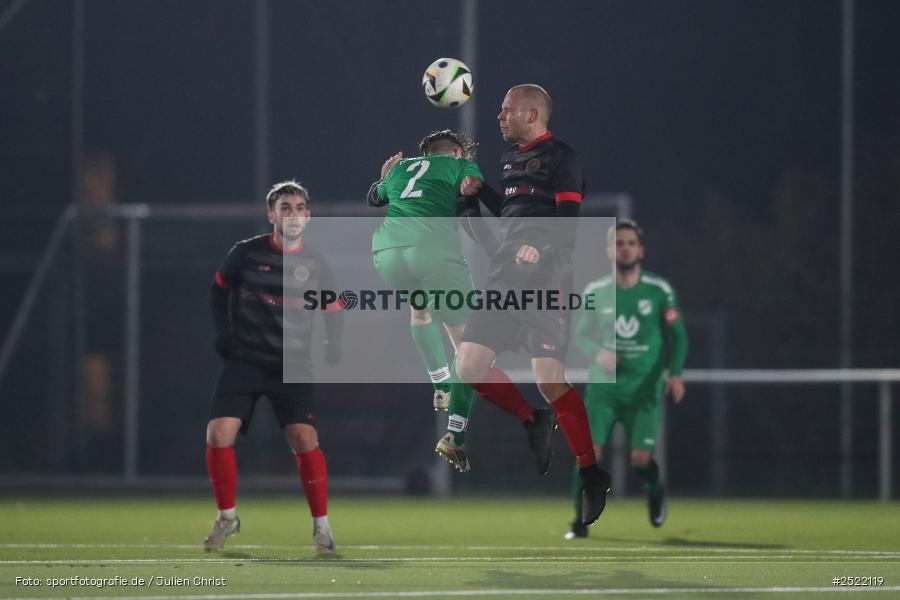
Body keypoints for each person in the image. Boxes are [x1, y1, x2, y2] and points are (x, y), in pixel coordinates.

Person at [454, 84, 612, 526]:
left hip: (546, 282)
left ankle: (591, 472)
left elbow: (567, 228)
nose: (499, 116)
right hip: (504, 280)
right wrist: (477, 191)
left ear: (532, 113)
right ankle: (532, 421)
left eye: (507, 110)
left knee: (549, 380)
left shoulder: (563, 159)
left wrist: (541, 253)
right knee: (467, 366)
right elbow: (509, 213)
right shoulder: (509, 160)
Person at [204, 180, 343, 553]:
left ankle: (321, 527)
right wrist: (224, 334)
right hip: (245, 360)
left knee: (304, 439)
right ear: (271, 215)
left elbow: (334, 309)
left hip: (292, 365)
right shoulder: (245, 254)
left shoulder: (316, 262)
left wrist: (334, 341)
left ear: (308, 216)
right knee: (218, 434)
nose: (293, 214)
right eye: (285, 207)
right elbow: (218, 290)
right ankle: (227, 518)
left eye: (299, 207)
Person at [367, 130, 486, 472]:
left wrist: (384, 178)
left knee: (420, 313)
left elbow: (374, 198)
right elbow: (472, 188)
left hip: (387, 253)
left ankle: (439, 384)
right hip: (432, 252)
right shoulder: (458, 165)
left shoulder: (402, 169)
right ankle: (454, 434)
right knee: (470, 347)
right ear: (456, 152)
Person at [565, 219, 688, 539]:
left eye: (631, 243)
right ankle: (579, 522)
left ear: (641, 250)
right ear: (609, 250)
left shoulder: (659, 290)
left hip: (644, 389)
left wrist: (675, 373)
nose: (625, 248)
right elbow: (580, 335)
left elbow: (678, 336)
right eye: (619, 243)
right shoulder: (595, 291)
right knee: (587, 453)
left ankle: (655, 489)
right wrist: (598, 353)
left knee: (639, 459)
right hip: (604, 390)